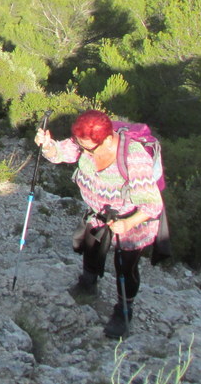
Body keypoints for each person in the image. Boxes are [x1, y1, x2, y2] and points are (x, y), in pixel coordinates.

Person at [35, 109, 163, 339]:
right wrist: (47, 145)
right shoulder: (85, 143)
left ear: (106, 139)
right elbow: (59, 153)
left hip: (132, 220)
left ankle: (124, 311)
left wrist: (128, 223)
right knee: (91, 245)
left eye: (87, 147)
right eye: (80, 144)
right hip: (98, 212)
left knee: (126, 266)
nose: (82, 150)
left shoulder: (133, 158)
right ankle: (88, 283)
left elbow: (153, 205)